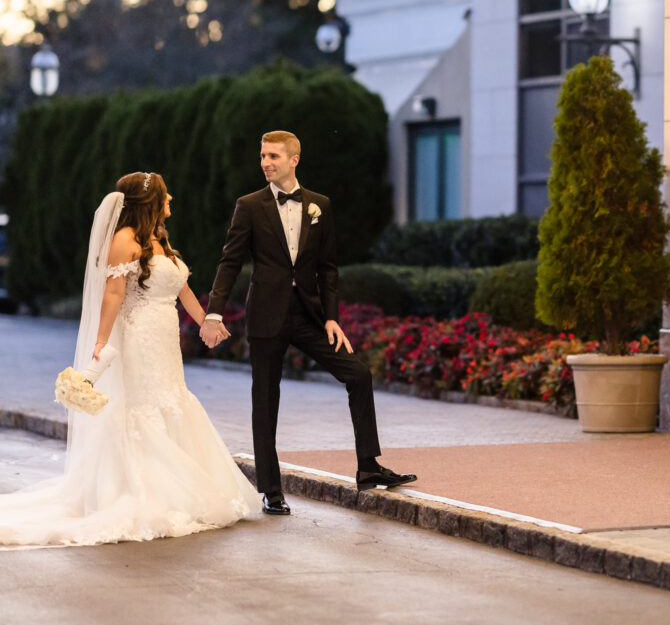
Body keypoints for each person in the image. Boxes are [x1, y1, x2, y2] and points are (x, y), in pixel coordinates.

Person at [0, 172, 258, 547]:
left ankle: (177, 488)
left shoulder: (159, 239)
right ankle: (142, 490)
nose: (171, 203)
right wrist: (101, 341)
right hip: (138, 336)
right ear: (150, 202)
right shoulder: (124, 240)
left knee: (171, 399)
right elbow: (113, 294)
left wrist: (207, 323)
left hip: (165, 337)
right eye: (167, 198)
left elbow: (182, 288)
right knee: (143, 406)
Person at [201, 130, 416, 515]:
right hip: (267, 315)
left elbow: (328, 268)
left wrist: (332, 318)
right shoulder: (249, 205)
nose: (266, 162)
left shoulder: (320, 205)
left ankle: (368, 467)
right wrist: (214, 311)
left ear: (294, 159)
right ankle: (271, 489)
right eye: (262, 156)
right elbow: (230, 261)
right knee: (265, 400)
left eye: (273, 156)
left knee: (358, 374)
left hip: (309, 315)